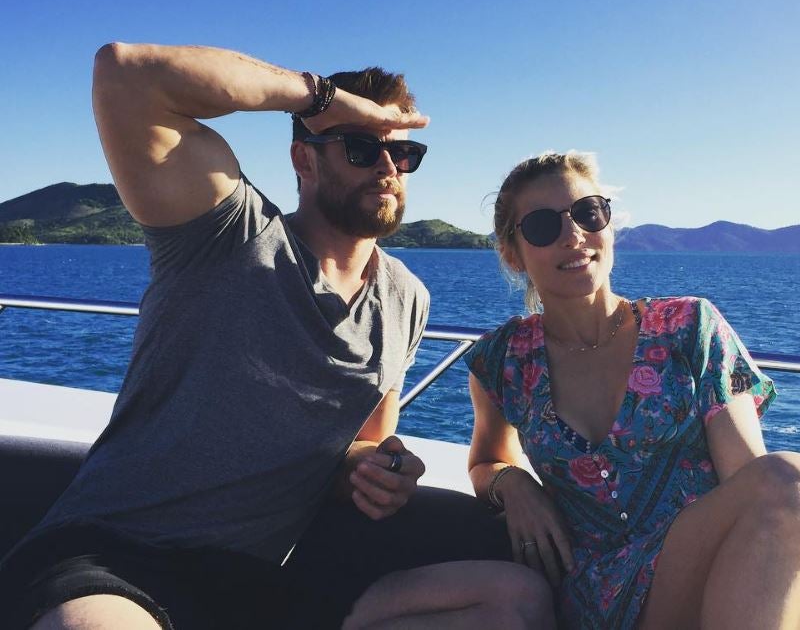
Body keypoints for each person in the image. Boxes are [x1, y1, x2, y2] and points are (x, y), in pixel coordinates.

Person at [0, 44, 551, 629]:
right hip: (119, 554)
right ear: (303, 159)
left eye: (402, 152)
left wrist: (377, 472)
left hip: (261, 578)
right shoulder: (226, 233)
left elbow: (360, 446)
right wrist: (320, 98)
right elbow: (127, 75)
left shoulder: (406, 298)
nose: (387, 168)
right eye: (362, 148)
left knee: (514, 600)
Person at [462, 151, 800, 629]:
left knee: (794, 484)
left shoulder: (688, 327)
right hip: (599, 591)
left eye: (588, 213)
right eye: (541, 226)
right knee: (796, 481)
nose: (573, 235)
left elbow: (749, 480)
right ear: (512, 253)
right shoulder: (504, 360)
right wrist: (512, 484)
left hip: (709, 572)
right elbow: (485, 460)